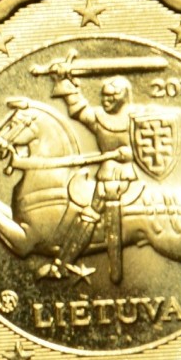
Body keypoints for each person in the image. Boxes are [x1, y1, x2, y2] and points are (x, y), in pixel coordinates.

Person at [49, 73, 138, 283]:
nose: (106, 100)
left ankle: (67, 264)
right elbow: (79, 111)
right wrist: (68, 85)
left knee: (96, 215)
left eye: (111, 97)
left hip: (122, 177)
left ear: (123, 97)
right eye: (104, 96)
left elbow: (147, 146)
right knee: (89, 215)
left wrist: (129, 154)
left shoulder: (137, 119)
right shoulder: (99, 117)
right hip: (105, 175)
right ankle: (63, 263)